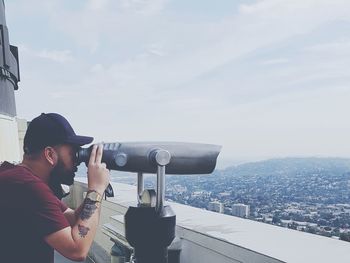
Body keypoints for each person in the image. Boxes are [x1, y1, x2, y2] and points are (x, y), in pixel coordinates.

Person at [0, 113, 110, 262]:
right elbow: (77, 250)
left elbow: (72, 219)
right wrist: (96, 189)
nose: (77, 161)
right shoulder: (28, 187)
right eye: (73, 153)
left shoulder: (18, 177)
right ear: (50, 154)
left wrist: (96, 190)